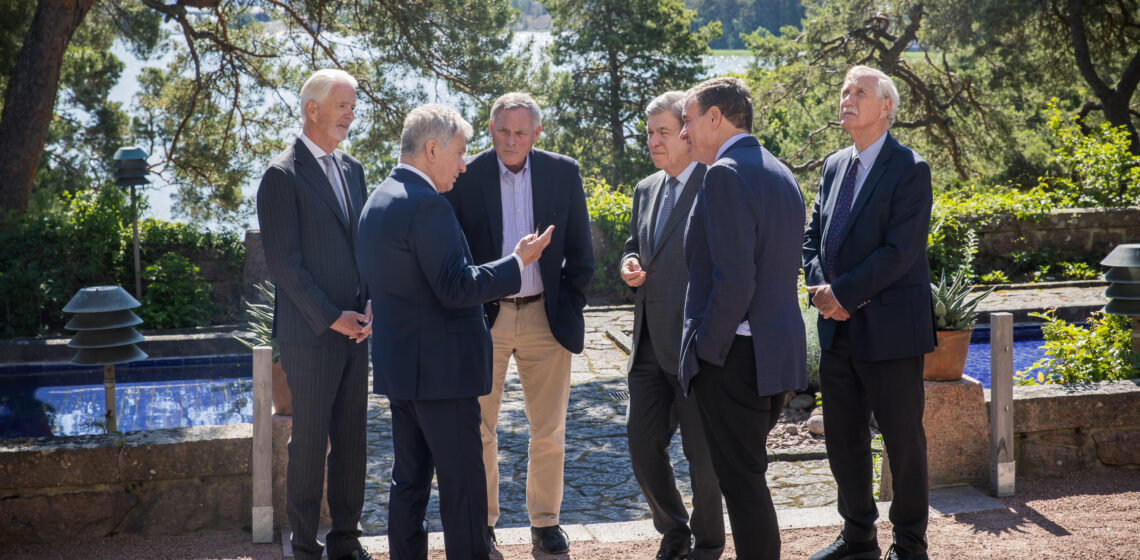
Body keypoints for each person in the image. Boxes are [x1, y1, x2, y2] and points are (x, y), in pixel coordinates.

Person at [356, 104, 553, 560]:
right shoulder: (428, 205)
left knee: (408, 485)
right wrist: (517, 263)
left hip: (401, 371)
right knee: (463, 491)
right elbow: (455, 287)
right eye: (460, 153)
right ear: (431, 149)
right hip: (442, 376)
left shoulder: (378, 199)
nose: (465, 165)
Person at [444, 92, 594, 554]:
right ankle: (483, 524)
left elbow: (582, 254)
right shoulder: (466, 175)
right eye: (504, 131)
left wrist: (566, 305)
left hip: (544, 317)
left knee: (548, 429)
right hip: (482, 320)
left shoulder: (562, 172)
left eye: (521, 132)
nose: (512, 140)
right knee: (479, 429)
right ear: (491, 130)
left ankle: (545, 524)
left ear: (536, 134)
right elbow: (452, 251)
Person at [802, 66, 935, 560]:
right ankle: (858, 538)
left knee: (903, 443)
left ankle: (909, 545)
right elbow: (812, 236)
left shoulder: (910, 168)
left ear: (886, 108)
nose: (847, 98)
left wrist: (841, 294)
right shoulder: (835, 164)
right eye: (843, 91)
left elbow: (899, 252)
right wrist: (821, 290)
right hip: (837, 331)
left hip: (891, 332)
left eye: (859, 91)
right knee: (843, 441)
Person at [677, 77, 807, 560]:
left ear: (716, 118)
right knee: (748, 477)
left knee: (743, 483)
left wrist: (706, 351)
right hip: (774, 357)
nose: (684, 132)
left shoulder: (725, 174)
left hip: (735, 358)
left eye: (689, 120)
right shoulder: (779, 169)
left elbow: (735, 282)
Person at [257, 69, 372, 560]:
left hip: (356, 332)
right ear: (313, 110)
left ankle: (346, 537)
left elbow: (362, 245)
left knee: (352, 439)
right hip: (310, 335)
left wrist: (369, 303)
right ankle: (304, 545)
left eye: (352, 105)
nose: (351, 114)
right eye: (343, 105)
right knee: (309, 443)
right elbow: (285, 264)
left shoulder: (353, 169)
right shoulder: (281, 175)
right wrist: (331, 317)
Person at [620, 90, 724, 560]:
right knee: (642, 448)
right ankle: (673, 530)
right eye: (649, 133)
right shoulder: (645, 189)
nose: (654, 141)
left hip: (695, 350)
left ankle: (708, 541)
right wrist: (629, 261)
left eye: (663, 131)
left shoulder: (718, 183)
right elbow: (635, 243)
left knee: (704, 460)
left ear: (687, 132)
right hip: (646, 349)